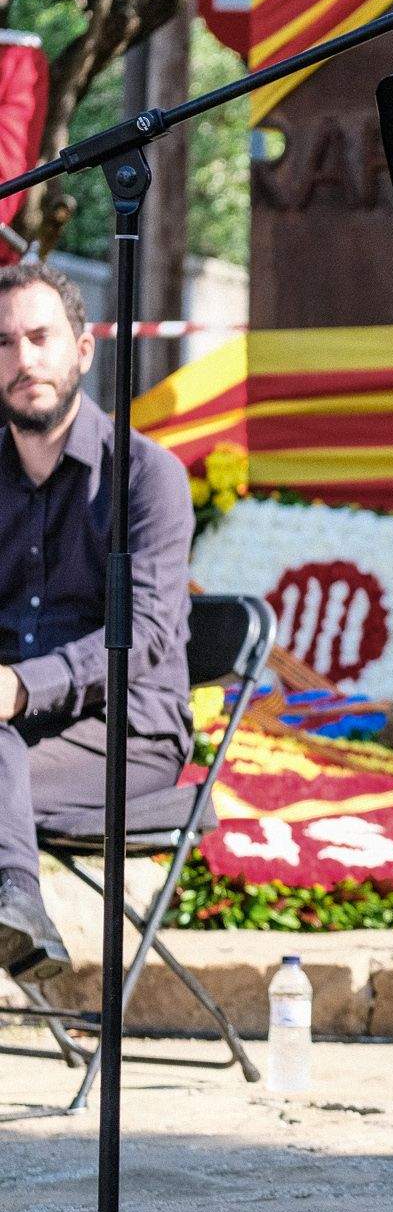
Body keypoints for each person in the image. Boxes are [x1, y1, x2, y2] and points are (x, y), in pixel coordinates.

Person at [0, 262, 194, 982]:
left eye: (41, 337)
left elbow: (142, 636)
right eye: (5, 343)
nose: (24, 360)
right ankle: (17, 909)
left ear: (82, 350)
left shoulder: (148, 476)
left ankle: (18, 900)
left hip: (128, 734)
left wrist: (21, 687)